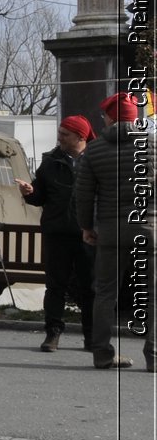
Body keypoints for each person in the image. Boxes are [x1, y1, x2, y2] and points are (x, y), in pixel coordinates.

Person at [74, 93, 156, 371]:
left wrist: (87, 226)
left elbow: (83, 194)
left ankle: (102, 353)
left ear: (110, 117)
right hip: (149, 229)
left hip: (110, 231)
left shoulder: (94, 150)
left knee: (105, 293)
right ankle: (154, 355)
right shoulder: (153, 144)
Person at [18, 115, 96, 352]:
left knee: (90, 287)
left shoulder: (95, 158)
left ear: (80, 137)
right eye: (59, 133)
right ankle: (52, 334)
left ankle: (92, 338)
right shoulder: (51, 161)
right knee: (55, 286)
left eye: (65, 134)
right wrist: (29, 192)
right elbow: (40, 195)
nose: (59, 138)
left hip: (89, 233)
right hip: (57, 232)